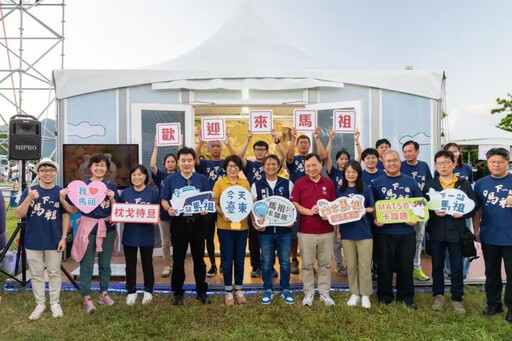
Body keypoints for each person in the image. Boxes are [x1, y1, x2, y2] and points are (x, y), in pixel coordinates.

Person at [15, 158, 74, 320]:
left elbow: (67, 215)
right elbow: (18, 214)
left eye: (51, 170)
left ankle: (55, 302)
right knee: (36, 273)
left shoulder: (60, 192)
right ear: (38, 173)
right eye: (43, 170)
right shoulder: (30, 191)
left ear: (55, 173)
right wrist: (29, 198)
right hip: (33, 240)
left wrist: (63, 237)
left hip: (54, 240)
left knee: (54, 272)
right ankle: (40, 303)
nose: (47, 173)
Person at [424, 150, 476, 315]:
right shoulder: (430, 184)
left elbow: (472, 206)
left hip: (457, 232)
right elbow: (423, 207)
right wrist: (433, 212)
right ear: (436, 165)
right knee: (437, 266)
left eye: (447, 162)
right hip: (437, 231)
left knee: (456, 267)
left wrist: (463, 213)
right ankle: (438, 296)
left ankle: (457, 298)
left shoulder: (463, 184)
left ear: (454, 164)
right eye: (440, 163)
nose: (443, 166)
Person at [370, 150, 422, 309]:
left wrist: (415, 218)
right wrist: (375, 219)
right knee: (384, 267)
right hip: (384, 233)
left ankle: (405, 298)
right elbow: (373, 207)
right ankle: (385, 297)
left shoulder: (411, 182)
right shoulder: (376, 183)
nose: (391, 164)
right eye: (388, 161)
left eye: (394, 160)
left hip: (406, 233)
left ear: (400, 162)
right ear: (383, 164)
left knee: (406, 267)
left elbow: (420, 204)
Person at [70, 153, 121, 314]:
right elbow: (74, 208)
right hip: (88, 229)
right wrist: (64, 198)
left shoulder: (111, 186)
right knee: (86, 263)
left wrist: (113, 200)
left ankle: (104, 294)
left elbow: (118, 209)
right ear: (90, 168)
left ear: (107, 169)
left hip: (107, 228)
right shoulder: (82, 186)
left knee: (105, 263)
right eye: (96, 165)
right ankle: (87, 298)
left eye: (102, 166)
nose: (99, 168)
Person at [161, 147, 212, 306]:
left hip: (198, 223)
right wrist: (168, 208)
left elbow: (209, 199)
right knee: (178, 259)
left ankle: (201, 291)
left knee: (199, 259)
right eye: (183, 160)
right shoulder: (171, 180)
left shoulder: (202, 179)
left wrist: (205, 208)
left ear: (194, 161)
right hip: (179, 224)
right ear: (178, 162)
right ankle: (177, 293)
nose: (186, 163)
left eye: (189, 160)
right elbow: (164, 199)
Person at [237, 129, 286, 278]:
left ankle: (270, 266)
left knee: (270, 237)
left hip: (271, 207)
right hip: (253, 204)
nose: (259, 152)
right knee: (253, 238)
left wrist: (276, 140)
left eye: (262, 149)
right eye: (257, 149)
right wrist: (248, 139)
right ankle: (255, 266)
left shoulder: (272, 163)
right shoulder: (250, 165)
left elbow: (284, 156)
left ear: (267, 151)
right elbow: (239, 157)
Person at [291, 153, 337, 306]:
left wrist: (328, 213)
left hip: (326, 230)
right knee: (307, 264)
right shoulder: (299, 183)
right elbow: (295, 203)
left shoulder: (329, 183)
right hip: (306, 231)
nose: (311, 168)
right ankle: (309, 293)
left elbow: (334, 205)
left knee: (325, 264)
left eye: (314, 165)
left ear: (320, 165)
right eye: (308, 166)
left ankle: (324, 292)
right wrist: (308, 211)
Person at [473, 148, 512, 323]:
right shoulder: (481, 183)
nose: (496, 165)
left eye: (500, 162)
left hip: (510, 236)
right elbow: (478, 209)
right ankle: (493, 304)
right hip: (489, 235)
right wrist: (476, 229)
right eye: (492, 162)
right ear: (487, 163)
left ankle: (511, 307)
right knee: (492, 272)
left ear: (508, 163)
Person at [251, 154, 295, 305]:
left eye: (274, 164)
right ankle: (268, 290)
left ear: (279, 166)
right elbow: (253, 208)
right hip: (266, 232)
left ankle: (285, 289)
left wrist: (292, 220)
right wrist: (255, 223)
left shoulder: (288, 184)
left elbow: (292, 206)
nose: (271, 167)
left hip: (284, 232)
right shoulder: (256, 185)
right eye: (267, 164)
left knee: (285, 262)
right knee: (266, 261)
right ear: (263, 167)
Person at [286, 127, 327, 274]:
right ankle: (294, 260)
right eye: (300, 142)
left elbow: (324, 157)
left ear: (309, 145)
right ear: (297, 145)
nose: (303, 144)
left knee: (311, 234)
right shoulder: (294, 159)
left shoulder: (313, 160)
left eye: (305, 142)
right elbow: (288, 155)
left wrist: (317, 138)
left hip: (313, 201)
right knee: (294, 234)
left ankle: (308, 262)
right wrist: (293, 137)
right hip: (296, 201)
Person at [195, 132, 235, 277]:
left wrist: (229, 143)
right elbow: (194, 160)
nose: (216, 148)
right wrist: (199, 143)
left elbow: (236, 160)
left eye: (218, 146)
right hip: (208, 204)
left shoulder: (226, 164)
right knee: (209, 237)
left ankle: (225, 265)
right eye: (213, 146)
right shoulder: (205, 163)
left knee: (225, 236)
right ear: (208, 149)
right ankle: (212, 265)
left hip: (225, 204)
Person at [212, 155, 251, 306]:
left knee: (240, 259)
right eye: (229, 166)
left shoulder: (245, 183)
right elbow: (214, 203)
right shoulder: (220, 183)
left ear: (239, 168)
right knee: (227, 259)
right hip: (224, 227)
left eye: (235, 166)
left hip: (242, 227)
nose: (232, 169)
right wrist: (223, 214)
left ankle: (239, 289)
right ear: (225, 168)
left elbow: (249, 203)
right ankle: (228, 290)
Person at [336, 161, 375, 308]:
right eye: (348, 171)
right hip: (347, 232)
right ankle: (354, 293)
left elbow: (372, 207)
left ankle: (365, 294)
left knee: (364, 265)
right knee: (351, 265)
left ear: (358, 173)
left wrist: (365, 210)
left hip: (364, 232)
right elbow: (337, 212)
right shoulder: (340, 190)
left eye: (353, 172)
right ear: (344, 173)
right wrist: (338, 231)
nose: (350, 174)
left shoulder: (365, 189)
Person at [121, 165, 160, 306]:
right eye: (134, 175)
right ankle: (131, 291)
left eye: (140, 174)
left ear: (145, 176)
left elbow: (158, 211)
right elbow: (119, 210)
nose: (137, 177)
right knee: (130, 265)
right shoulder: (125, 193)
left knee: (147, 263)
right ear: (131, 177)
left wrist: (157, 218)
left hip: (146, 234)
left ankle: (148, 290)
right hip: (130, 234)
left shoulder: (152, 193)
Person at [325, 129, 362, 277]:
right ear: (337, 161)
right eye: (341, 158)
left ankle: (351, 263)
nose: (344, 160)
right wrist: (330, 139)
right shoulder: (333, 172)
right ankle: (340, 264)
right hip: (336, 210)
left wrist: (357, 140)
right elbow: (326, 156)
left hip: (351, 210)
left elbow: (360, 157)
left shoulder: (352, 172)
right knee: (336, 240)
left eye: (346, 158)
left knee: (349, 238)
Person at [441, 142, 474, 279]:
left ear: (459, 152)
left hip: (463, 211)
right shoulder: (441, 169)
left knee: (465, 240)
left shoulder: (466, 169)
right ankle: (448, 270)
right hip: (447, 212)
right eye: (450, 151)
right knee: (448, 242)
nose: (453, 154)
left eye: (455, 151)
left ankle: (464, 271)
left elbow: (471, 187)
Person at [400, 140, 432, 282]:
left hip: (419, 208)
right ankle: (402, 268)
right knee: (403, 240)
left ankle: (416, 267)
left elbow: (429, 186)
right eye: (405, 151)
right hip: (403, 209)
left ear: (417, 152)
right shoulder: (399, 166)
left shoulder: (424, 166)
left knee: (419, 239)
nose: (407, 154)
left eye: (410, 151)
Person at [150, 135, 178, 278]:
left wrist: (180, 145)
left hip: (179, 214)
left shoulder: (181, 176)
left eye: (173, 161)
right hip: (164, 213)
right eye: (168, 161)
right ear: (165, 164)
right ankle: (167, 265)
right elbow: (152, 166)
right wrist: (156, 148)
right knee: (165, 241)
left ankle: (177, 264)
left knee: (178, 240)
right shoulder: (160, 175)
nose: (171, 163)